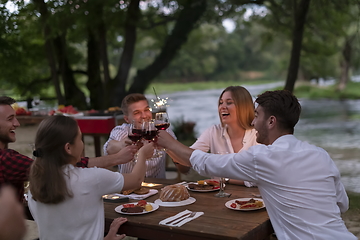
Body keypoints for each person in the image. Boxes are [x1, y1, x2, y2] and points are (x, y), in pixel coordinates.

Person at [156, 90, 356, 240]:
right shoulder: (320, 154)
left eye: (257, 115)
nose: (252, 121)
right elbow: (342, 204)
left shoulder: (262, 157)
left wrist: (169, 143)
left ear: (271, 121)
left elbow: (206, 163)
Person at [28, 115, 154, 240]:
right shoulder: (91, 178)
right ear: (68, 148)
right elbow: (136, 180)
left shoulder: (35, 185)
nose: (82, 144)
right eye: (80, 138)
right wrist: (142, 154)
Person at [0, 96, 138, 202]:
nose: (17, 123)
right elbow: (55, 167)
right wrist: (118, 158)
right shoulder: (6, 160)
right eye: (10, 119)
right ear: (68, 147)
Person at [168, 86, 258, 186]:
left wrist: (223, 180)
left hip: (251, 198)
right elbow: (186, 165)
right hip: (217, 197)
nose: (222, 107)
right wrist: (168, 147)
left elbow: (260, 178)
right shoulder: (213, 131)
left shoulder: (258, 134)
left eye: (229, 102)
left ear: (244, 106)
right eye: (220, 103)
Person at [103, 93, 180, 178]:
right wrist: (122, 144)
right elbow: (109, 148)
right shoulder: (122, 131)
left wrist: (171, 149)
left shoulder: (163, 130)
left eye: (146, 110)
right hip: (129, 187)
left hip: (158, 186)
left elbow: (184, 168)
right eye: (137, 113)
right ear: (127, 119)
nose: (144, 116)